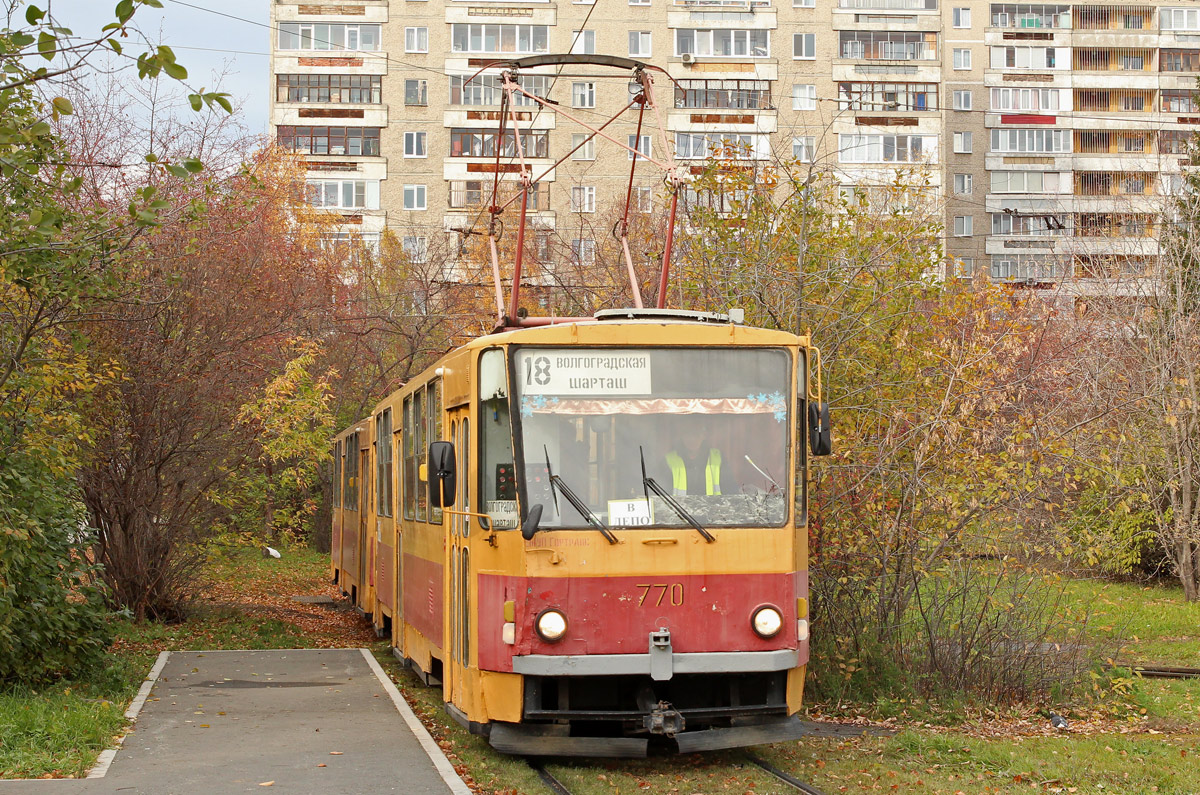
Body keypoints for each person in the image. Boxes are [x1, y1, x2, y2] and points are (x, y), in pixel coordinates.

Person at [662, 417, 726, 496]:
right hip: (678, 508)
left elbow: (730, 490)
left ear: (704, 436)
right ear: (682, 436)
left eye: (696, 434)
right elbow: (661, 493)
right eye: (688, 434)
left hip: (712, 507)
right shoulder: (669, 460)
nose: (692, 439)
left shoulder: (717, 458)